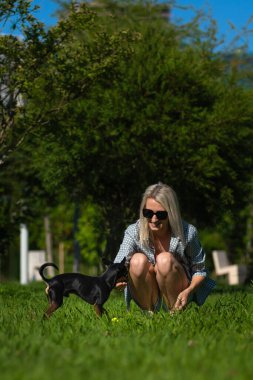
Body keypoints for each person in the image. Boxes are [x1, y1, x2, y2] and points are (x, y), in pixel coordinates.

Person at [114, 182, 215, 313]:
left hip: (180, 292)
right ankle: (150, 314)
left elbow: (200, 271)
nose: (154, 219)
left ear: (171, 213)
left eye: (161, 214)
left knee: (164, 260)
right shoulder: (133, 231)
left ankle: (175, 312)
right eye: (148, 213)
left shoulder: (188, 233)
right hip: (146, 294)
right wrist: (116, 280)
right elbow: (118, 263)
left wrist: (188, 291)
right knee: (137, 260)